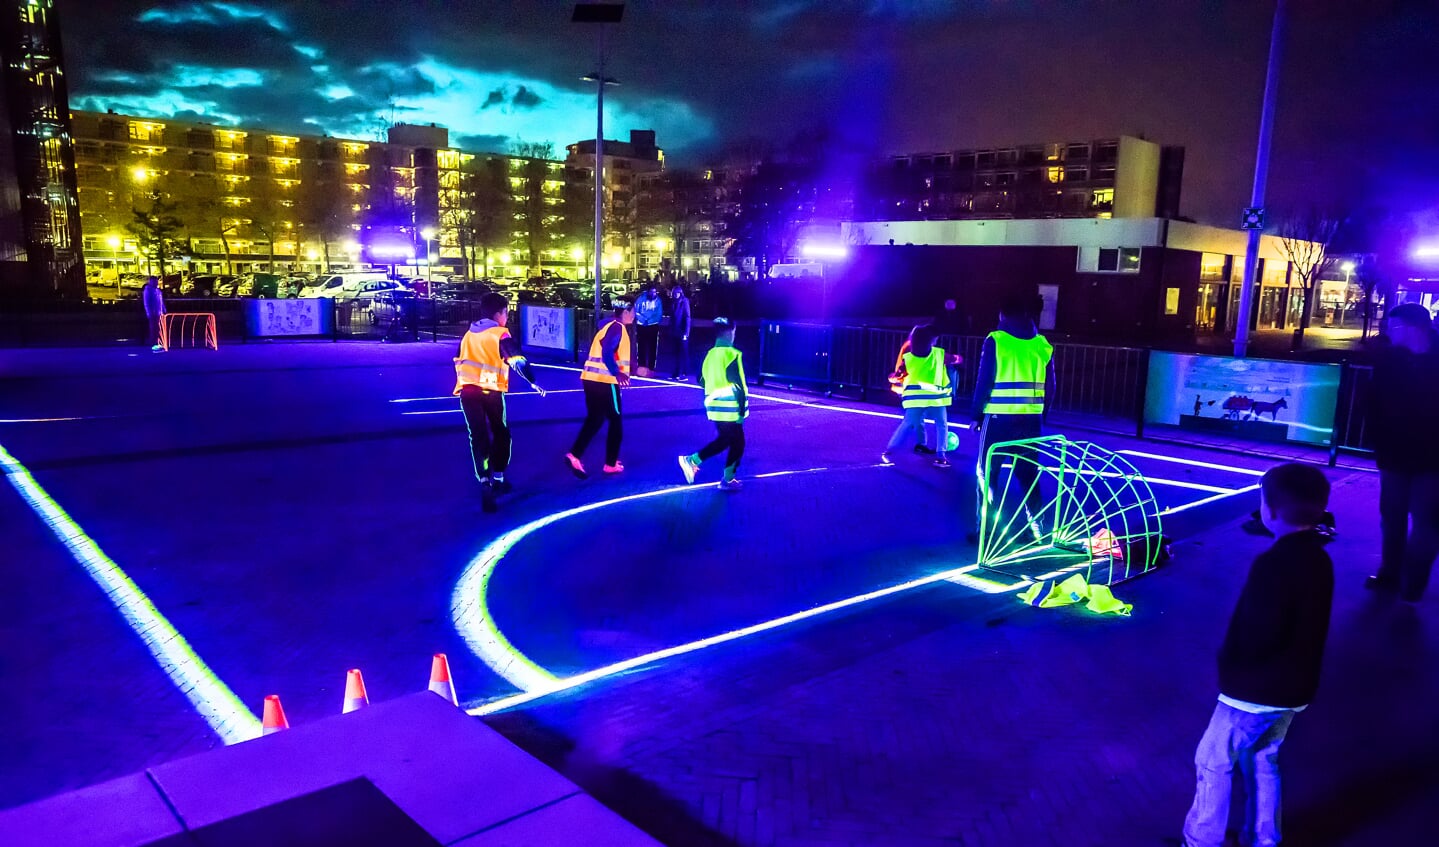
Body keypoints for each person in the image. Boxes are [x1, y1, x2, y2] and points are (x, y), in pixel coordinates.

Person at [1182, 463, 1334, 847]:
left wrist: (1229, 664)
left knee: (1213, 761)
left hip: (1252, 691)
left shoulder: (1273, 565)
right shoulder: (1320, 559)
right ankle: (1264, 838)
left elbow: (1259, 631)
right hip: (1294, 692)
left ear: (1269, 509)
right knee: (1264, 760)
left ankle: (1200, 840)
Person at [1365, 302, 1439, 602]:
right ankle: (1392, 572)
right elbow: (1373, 402)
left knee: (1426, 521)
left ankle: (1411, 581)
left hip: (1432, 456)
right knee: (1393, 516)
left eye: (1393, 327)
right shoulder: (1389, 360)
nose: (1389, 332)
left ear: (1411, 328)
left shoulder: (1398, 362)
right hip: (1395, 452)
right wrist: (1378, 440)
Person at [970, 290, 1054, 544]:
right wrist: (1043, 413)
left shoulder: (996, 340)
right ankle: (1037, 528)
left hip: (997, 418)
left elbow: (985, 379)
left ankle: (986, 529)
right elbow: (1051, 385)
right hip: (1030, 420)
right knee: (1028, 473)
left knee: (988, 474)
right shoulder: (1041, 344)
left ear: (1002, 314)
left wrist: (976, 414)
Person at [454, 292, 546, 513]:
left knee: (477, 436)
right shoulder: (499, 333)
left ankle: (484, 480)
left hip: (467, 390)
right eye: (506, 313)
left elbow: (459, 357)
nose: (507, 317)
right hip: (491, 391)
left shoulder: (469, 333)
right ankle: (499, 478)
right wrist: (532, 381)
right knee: (501, 433)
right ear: (499, 313)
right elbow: (516, 359)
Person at [566, 299, 635, 478]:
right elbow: (607, 351)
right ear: (626, 311)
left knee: (595, 419)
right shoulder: (618, 328)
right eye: (633, 311)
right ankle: (610, 464)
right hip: (605, 380)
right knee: (616, 421)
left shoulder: (606, 326)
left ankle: (574, 455)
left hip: (590, 378)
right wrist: (617, 373)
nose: (634, 315)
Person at [678, 316, 747, 490]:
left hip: (714, 406)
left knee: (726, 439)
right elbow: (739, 385)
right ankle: (726, 479)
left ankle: (695, 461)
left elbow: (700, 378)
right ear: (731, 332)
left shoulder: (709, 354)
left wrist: (713, 389)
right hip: (731, 408)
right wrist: (741, 412)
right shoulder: (732, 354)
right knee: (737, 443)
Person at [882, 325, 958, 467]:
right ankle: (941, 456)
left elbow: (897, 375)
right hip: (936, 397)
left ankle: (889, 451)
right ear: (931, 340)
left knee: (907, 423)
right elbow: (956, 359)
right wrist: (957, 359)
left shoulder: (909, 358)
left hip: (915, 398)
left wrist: (892, 378)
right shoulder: (939, 354)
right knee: (941, 425)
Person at [633, 284, 664, 376]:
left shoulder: (658, 301)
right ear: (648, 292)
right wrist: (643, 320)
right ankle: (641, 367)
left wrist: (649, 321)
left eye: (655, 292)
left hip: (653, 326)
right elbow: (636, 311)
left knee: (653, 348)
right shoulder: (640, 299)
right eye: (651, 292)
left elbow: (659, 314)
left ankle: (651, 368)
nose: (653, 294)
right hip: (641, 326)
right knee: (641, 347)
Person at [670, 285, 692, 380]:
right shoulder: (673, 302)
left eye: (677, 293)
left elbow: (687, 317)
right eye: (674, 293)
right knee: (675, 352)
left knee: (682, 352)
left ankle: (683, 373)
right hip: (675, 330)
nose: (676, 295)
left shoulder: (684, 301)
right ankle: (676, 373)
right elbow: (672, 317)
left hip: (682, 331)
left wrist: (686, 333)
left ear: (681, 293)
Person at [141, 275, 166, 352]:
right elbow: (146, 302)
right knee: (153, 328)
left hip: (158, 312)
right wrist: (149, 313)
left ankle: (157, 343)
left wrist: (163, 309)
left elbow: (161, 301)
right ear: (150, 282)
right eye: (154, 281)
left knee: (157, 328)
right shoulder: (148, 291)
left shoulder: (157, 290)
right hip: (153, 313)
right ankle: (153, 344)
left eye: (156, 281)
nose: (156, 283)